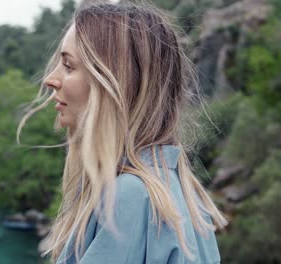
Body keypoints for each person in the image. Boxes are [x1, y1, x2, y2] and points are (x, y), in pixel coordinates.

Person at [17, 1, 228, 263]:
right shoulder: (186, 195)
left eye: (69, 66)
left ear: (116, 84)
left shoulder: (129, 197)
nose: (50, 79)